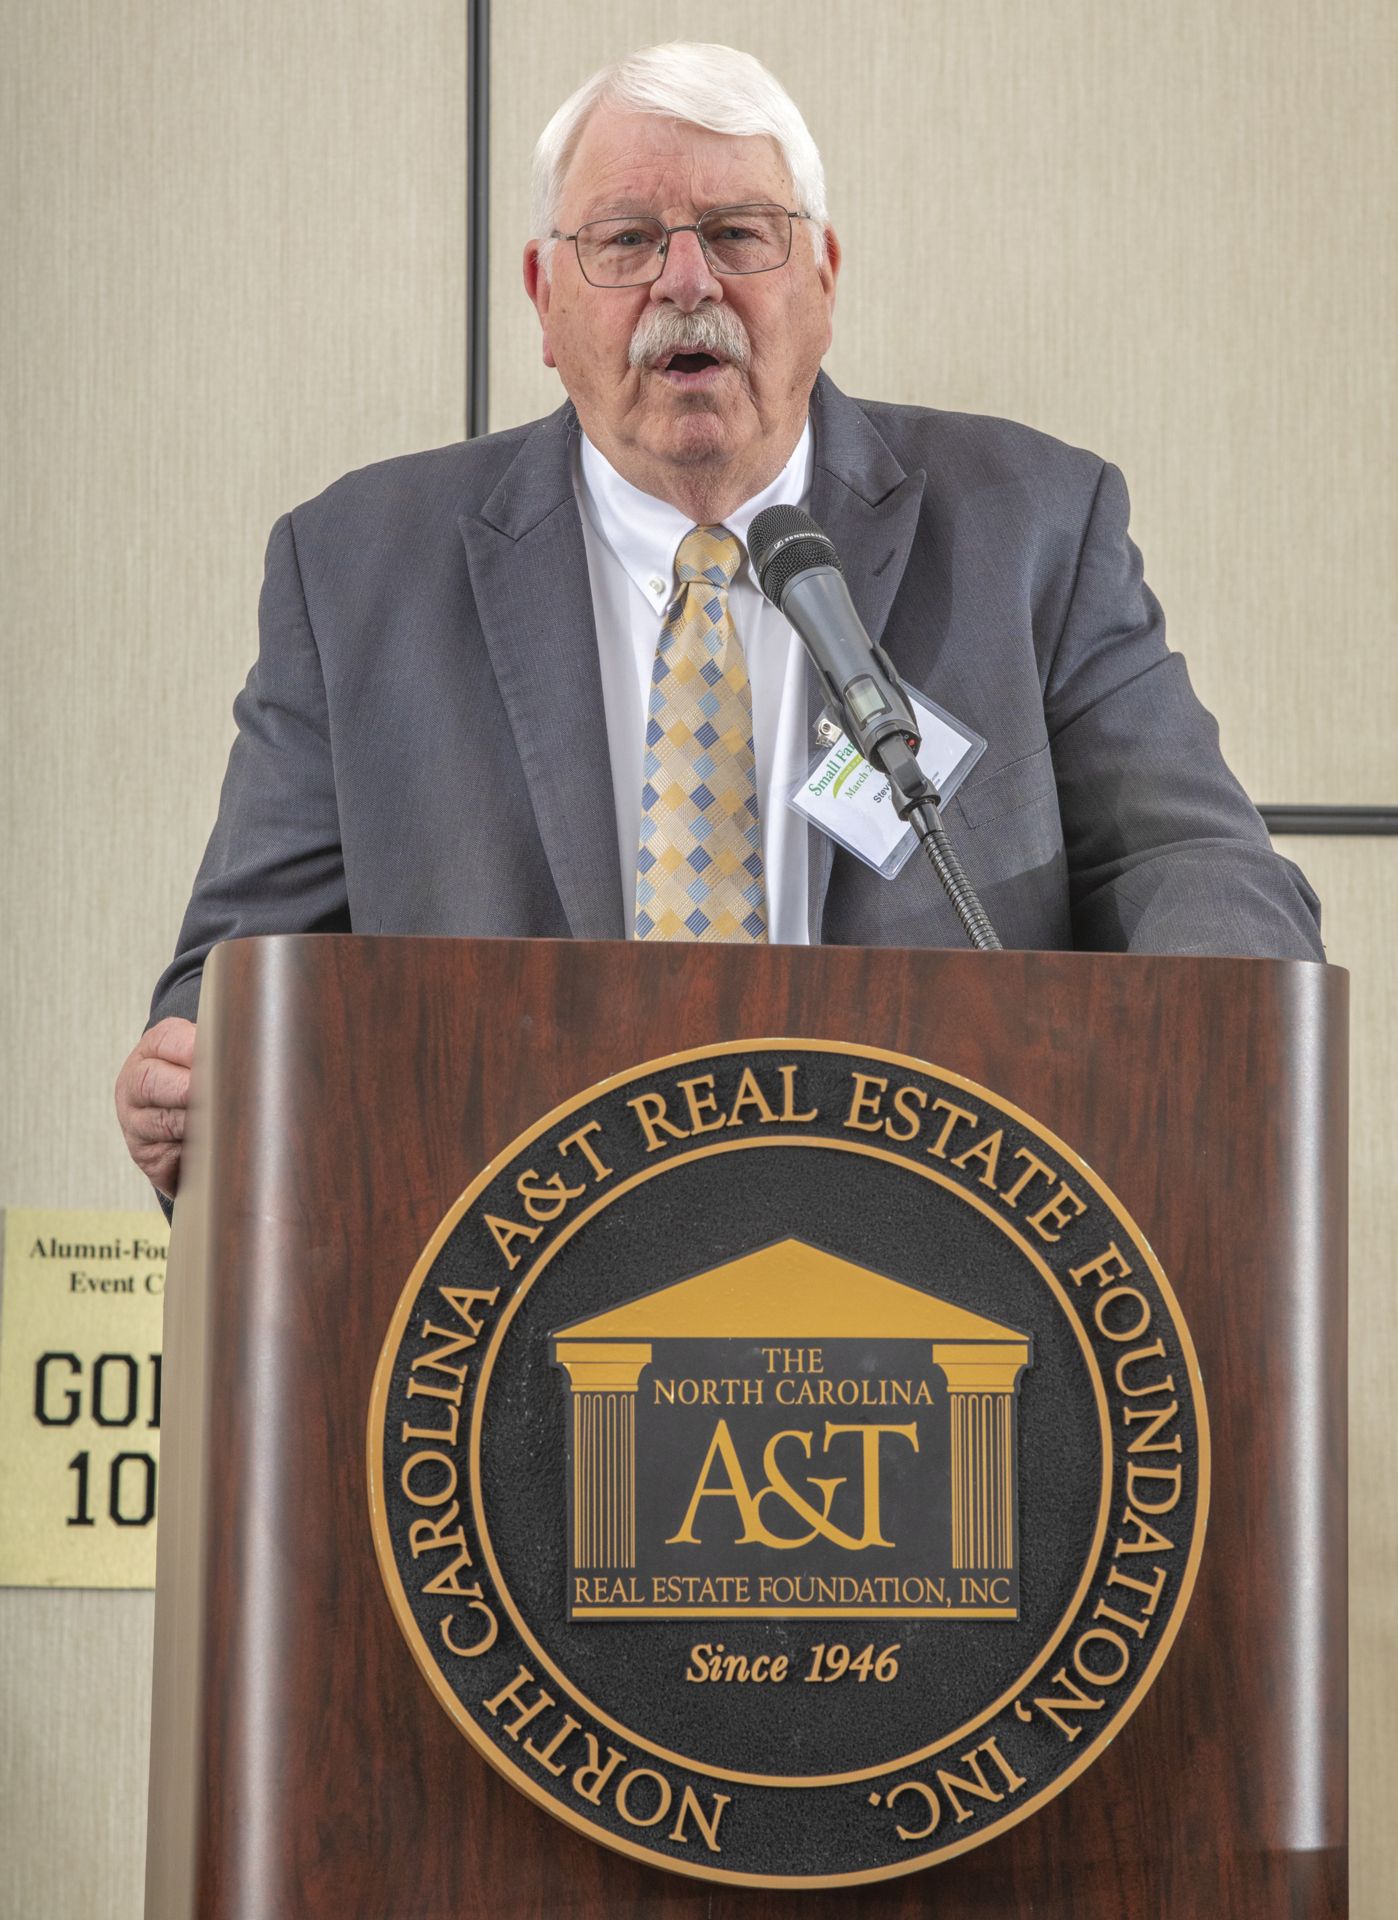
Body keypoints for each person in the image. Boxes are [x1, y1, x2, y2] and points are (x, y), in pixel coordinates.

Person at [115, 40, 1323, 1201]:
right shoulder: (356, 570)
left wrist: (1220, 1028)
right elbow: (239, 976)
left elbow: (1188, 858)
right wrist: (190, 1078)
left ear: (824, 277)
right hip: (504, 1270)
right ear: (543, 297)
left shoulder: (1032, 528)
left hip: (935, 1252)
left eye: (740, 233)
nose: (686, 283)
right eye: (627, 240)